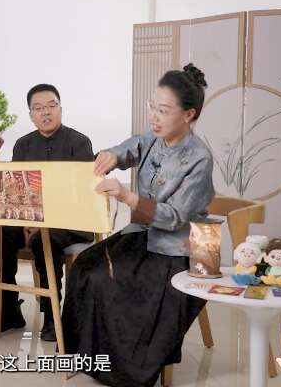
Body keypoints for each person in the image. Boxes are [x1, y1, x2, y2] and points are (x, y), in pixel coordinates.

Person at [62, 64, 214, 387]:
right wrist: (112, 156)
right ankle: (87, 358)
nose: (154, 117)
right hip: (144, 235)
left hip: (183, 247)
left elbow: (174, 217)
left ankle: (126, 372)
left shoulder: (199, 158)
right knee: (85, 268)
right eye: (152, 107)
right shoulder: (153, 138)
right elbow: (129, 148)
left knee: (117, 283)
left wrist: (127, 197)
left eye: (164, 111)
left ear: (188, 115)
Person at [0, 84, 94, 342]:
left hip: (71, 222)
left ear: (61, 109)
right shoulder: (23, 145)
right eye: (38, 108)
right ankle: (8, 310)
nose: (46, 112)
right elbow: (18, 192)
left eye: (52, 106)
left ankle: (52, 316)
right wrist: (26, 220)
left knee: (46, 239)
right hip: (30, 219)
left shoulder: (79, 143)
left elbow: (78, 195)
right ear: (31, 115)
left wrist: (42, 222)